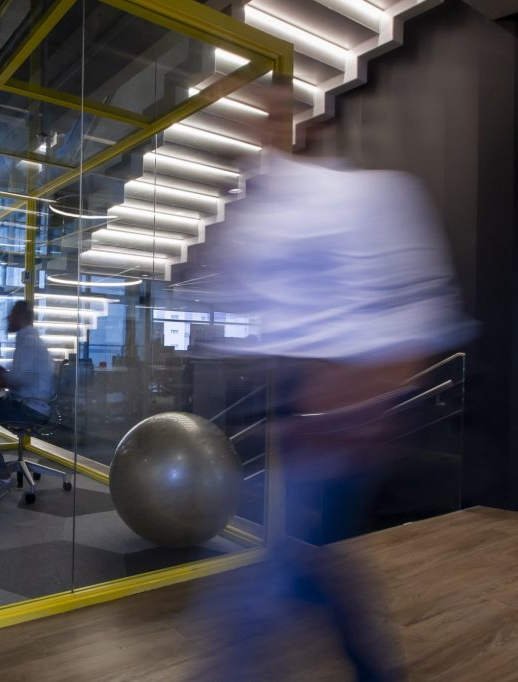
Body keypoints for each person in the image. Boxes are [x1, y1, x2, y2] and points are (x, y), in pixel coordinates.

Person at [197, 85, 475, 680]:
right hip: (293, 410)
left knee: (256, 588)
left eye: (276, 117)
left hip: (345, 415)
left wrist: (364, 407)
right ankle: (374, 669)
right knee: (302, 564)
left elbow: (421, 319)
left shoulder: (369, 198)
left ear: (308, 127)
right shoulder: (265, 214)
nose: (263, 132)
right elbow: (243, 307)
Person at [0, 300, 55, 503]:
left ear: (20, 317)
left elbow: (17, 380)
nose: (7, 319)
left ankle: (1, 476)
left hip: (29, 408)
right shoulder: (30, 341)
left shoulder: (28, 342)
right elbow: (21, 377)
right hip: (30, 403)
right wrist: (2, 377)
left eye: (11, 315)